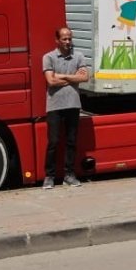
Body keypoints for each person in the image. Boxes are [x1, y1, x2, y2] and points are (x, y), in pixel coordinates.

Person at [43, 26, 91, 188]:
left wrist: (62, 76)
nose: (68, 41)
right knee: (54, 142)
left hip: (73, 104)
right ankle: (49, 176)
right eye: (64, 39)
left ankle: (69, 175)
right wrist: (73, 78)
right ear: (57, 40)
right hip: (54, 106)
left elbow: (85, 78)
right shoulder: (48, 57)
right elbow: (51, 81)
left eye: (70, 38)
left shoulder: (78, 56)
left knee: (71, 141)